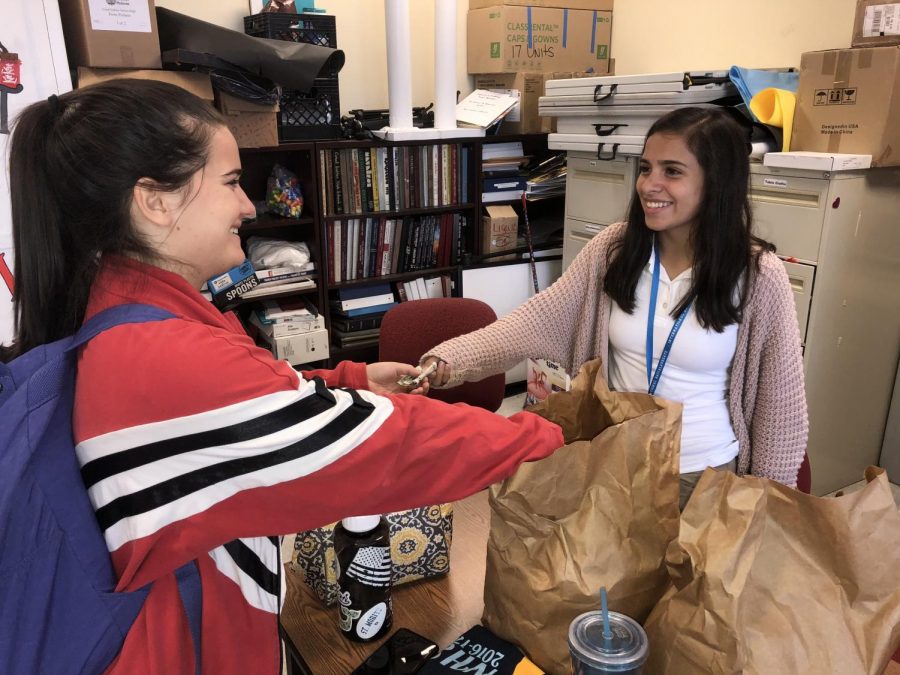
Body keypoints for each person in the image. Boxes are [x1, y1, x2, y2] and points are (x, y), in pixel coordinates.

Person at [4, 79, 564, 674]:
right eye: (228, 183)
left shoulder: (131, 311)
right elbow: (388, 448)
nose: (249, 205)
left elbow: (250, 399)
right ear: (155, 200)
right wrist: (545, 439)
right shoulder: (156, 356)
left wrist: (351, 380)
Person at [422, 107, 808, 509]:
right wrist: (448, 361)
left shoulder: (758, 275)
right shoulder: (615, 250)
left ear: (716, 183)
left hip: (704, 478)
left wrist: (769, 508)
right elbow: (529, 324)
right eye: (646, 168)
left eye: (672, 172)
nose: (649, 185)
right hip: (613, 461)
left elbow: (781, 412)